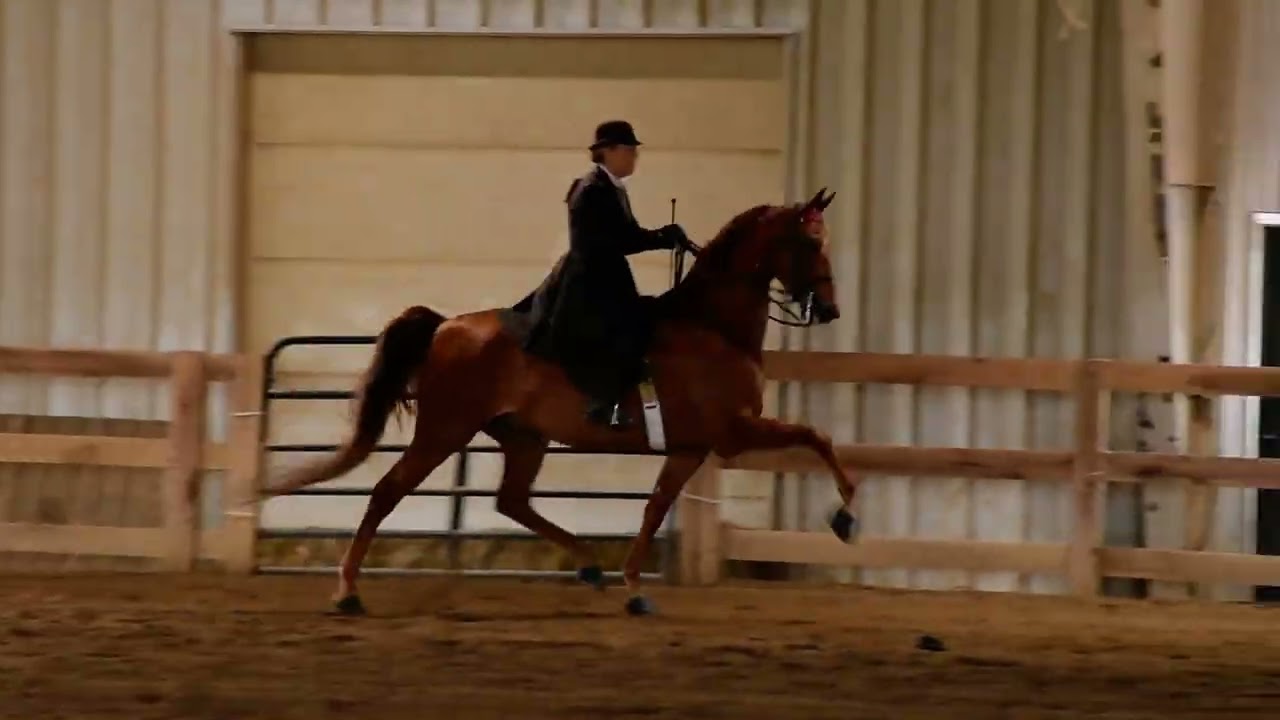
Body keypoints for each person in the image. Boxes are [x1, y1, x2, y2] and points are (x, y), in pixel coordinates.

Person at [512, 120, 694, 430]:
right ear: (607, 152)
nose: (633, 157)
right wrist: (659, 238)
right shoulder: (592, 190)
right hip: (589, 281)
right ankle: (602, 402)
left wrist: (663, 236)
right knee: (624, 330)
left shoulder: (613, 188)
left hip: (607, 275)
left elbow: (629, 235)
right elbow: (612, 241)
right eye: (628, 150)